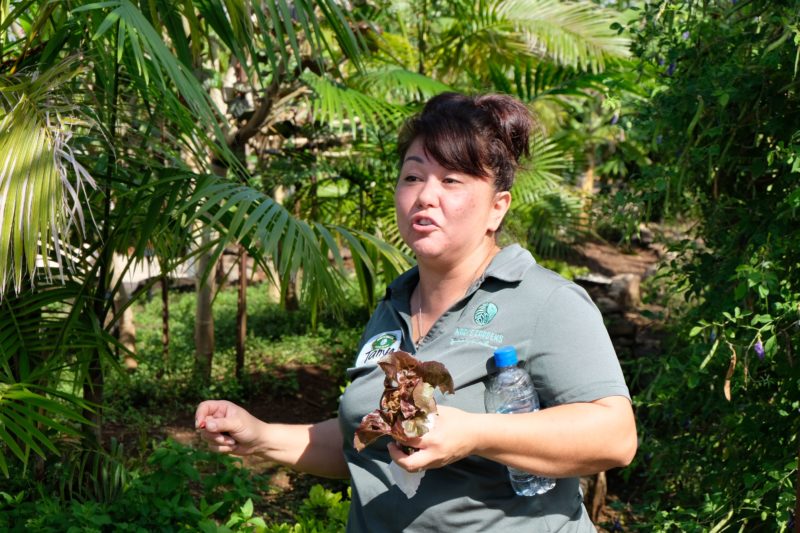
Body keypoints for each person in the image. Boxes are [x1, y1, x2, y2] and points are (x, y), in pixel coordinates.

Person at [196, 92, 637, 532]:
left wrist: (475, 435)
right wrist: (260, 436)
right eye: (413, 176)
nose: (426, 195)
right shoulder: (393, 306)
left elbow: (614, 437)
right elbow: (364, 442)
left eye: (452, 181)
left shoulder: (544, 300)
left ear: (496, 208)